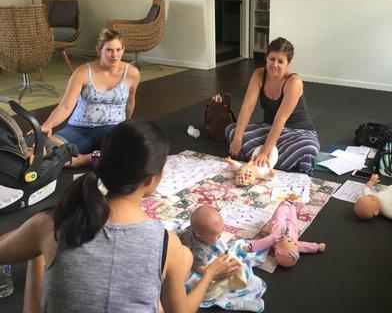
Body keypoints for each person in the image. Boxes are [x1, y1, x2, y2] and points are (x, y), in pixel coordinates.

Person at [0, 120, 239, 313]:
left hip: (42, 233)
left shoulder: (51, 224)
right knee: (180, 264)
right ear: (150, 180)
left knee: (37, 256)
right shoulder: (168, 244)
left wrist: (34, 243)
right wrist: (209, 274)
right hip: (172, 258)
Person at [39, 28, 140, 166]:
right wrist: (47, 125)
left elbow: (130, 102)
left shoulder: (132, 73)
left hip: (112, 128)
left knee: (130, 150)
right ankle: (91, 158)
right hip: (79, 128)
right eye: (109, 50)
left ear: (123, 49)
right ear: (99, 50)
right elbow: (65, 106)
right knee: (47, 148)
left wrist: (126, 127)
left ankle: (79, 159)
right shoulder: (82, 72)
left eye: (118, 50)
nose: (114, 55)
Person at [226, 37, 320, 174]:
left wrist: (264, 152)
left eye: (280, 61)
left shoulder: (294, 82)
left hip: (298, 132)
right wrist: (238, 138)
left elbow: (280, 120)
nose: (274, 64)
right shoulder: (259, 74)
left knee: (308, 148)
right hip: (269, 128)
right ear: (266, 58)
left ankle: (261, 158)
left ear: (287, 63)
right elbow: (247, 107)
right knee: (232, 130)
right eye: (272, 59)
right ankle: (274, 161)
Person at [179, 205, 226, 273]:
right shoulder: (200, 250)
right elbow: (200, 269)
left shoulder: (193, 228)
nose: (220, 236)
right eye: (218, 236)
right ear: (199, 237)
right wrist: (216, 269)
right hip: (181, 254)